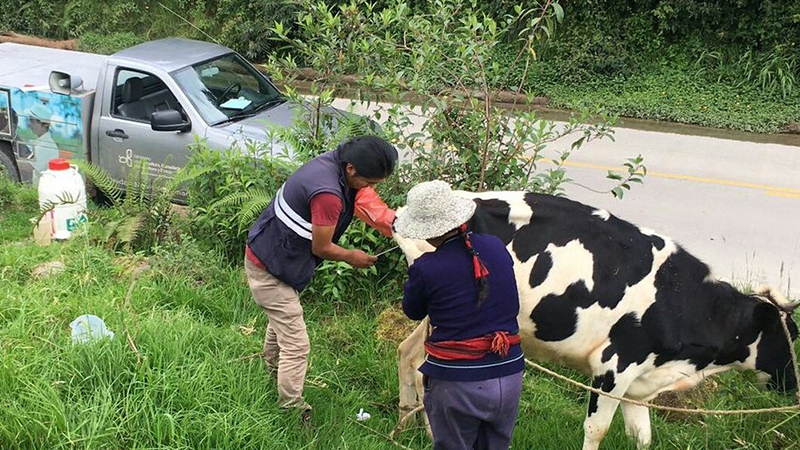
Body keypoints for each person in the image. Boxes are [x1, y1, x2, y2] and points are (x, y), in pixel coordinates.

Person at [244, 135, 398, 420]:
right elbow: (321, 247)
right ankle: (291, 409)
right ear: (351, 169)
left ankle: (271, 375)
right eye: (369, 182)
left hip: (275, 256)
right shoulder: (328, 194)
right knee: (297, 344)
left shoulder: (333, 162)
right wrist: (352, 257)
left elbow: (365, 202)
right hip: (269, 269)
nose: (371, 188)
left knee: (281, 323)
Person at [396, 180, 524, 450]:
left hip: (457, 382)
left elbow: (412, 311)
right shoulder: (495, 246)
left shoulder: (426, 268)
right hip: (509, 373)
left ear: (425, 232)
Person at [24, 103, 59, 182]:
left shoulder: (46, 145)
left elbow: (28, 167)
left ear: (43, 124)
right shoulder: (41, 142)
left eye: (32, 121)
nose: (30, 124)